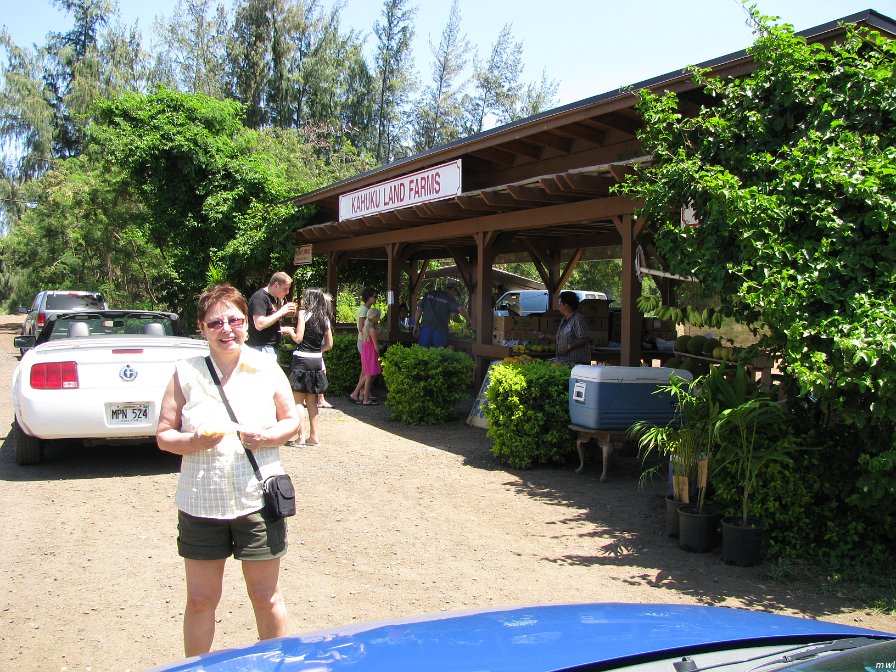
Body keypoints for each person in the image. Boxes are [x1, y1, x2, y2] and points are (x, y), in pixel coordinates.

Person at [156, 283, 301, 658]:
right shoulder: (185, 372)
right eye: (216, 322)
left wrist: (267, 437)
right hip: (200, 502)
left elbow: (291, 422)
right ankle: (197, 668)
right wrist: (192, 443)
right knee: (201, 600)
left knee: (266, 597)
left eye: (235, 320)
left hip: (257, 500)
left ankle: (274, 666)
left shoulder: (266, 367)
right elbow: (164, 434)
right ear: (201, 328)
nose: (227, 329)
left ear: (246, 324)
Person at [282, 287, 333, 447]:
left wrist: (289, 332)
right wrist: (318, 350)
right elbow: (330, 344)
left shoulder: (303, 314)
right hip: (316, 361)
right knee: (312, 401)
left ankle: (301, 437)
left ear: (310, 300)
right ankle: (314, 436)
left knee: (298, 400)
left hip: (301, 359)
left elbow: (298, 338)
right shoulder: (325, 318)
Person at [535, 290, 591, 364]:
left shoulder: (578, 319)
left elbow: (584, 339)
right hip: (565, 361)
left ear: (566, 305)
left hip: (577, 363)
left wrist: (568, 347)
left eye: (560, 303)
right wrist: (544, 335)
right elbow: (561, 337)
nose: (559, 306)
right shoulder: (564, 319)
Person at [247, 272, 296, 357]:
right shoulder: (260, 298)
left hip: (269, 348)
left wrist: (280, 329)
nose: (287, 292)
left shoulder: (272, 298)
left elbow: (268, 322)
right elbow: (259, 324)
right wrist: (281, 312)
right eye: (285, 288)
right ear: (276, 285)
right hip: (262, 348)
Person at [412, 284, 472, 348]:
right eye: (455, 294)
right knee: (439, 354)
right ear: (452, 289)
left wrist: (415, 325)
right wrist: (469, 320)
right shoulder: (449, 298)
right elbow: (461, 309)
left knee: (422, 354)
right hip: (440, 331)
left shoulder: (428, 294)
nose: (455, 296)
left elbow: (419, 310)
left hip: (426, 329)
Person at [349, 287, 378, 403]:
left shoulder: (367, 310)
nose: (376, 298)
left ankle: (362, 393)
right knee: (366, 370)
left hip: (365, 342)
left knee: (366, 370)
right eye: (374, 296)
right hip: (364, 343)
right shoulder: (364, 310)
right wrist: (373, 332)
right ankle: (359, 393)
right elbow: (361, 328)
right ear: (368, 297)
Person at [359, 308, 382, 405]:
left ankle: (358, 393)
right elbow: (376, 345)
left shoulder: (365, 328)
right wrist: (379, 354)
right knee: (369, 375)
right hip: (371, 354)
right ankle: (365, 399)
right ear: (375, 317)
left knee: (368, 374)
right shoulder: (372, 330)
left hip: (366, 353)